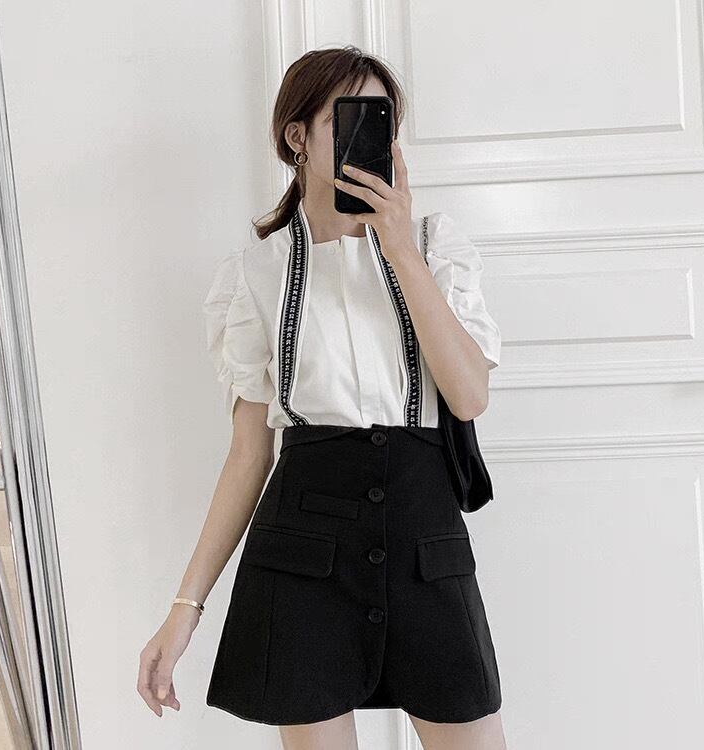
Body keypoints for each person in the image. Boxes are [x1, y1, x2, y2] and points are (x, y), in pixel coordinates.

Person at [138, 45, 507, 750]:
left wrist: (400, 249)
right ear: (297, 137)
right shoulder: (255, 275)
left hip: (425, 545)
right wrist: (185, 609)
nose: (372, 136)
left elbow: (468, 396)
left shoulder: (434, 247)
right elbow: (248, 455)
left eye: (382, 119)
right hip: (302, 555)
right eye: (350, 117)